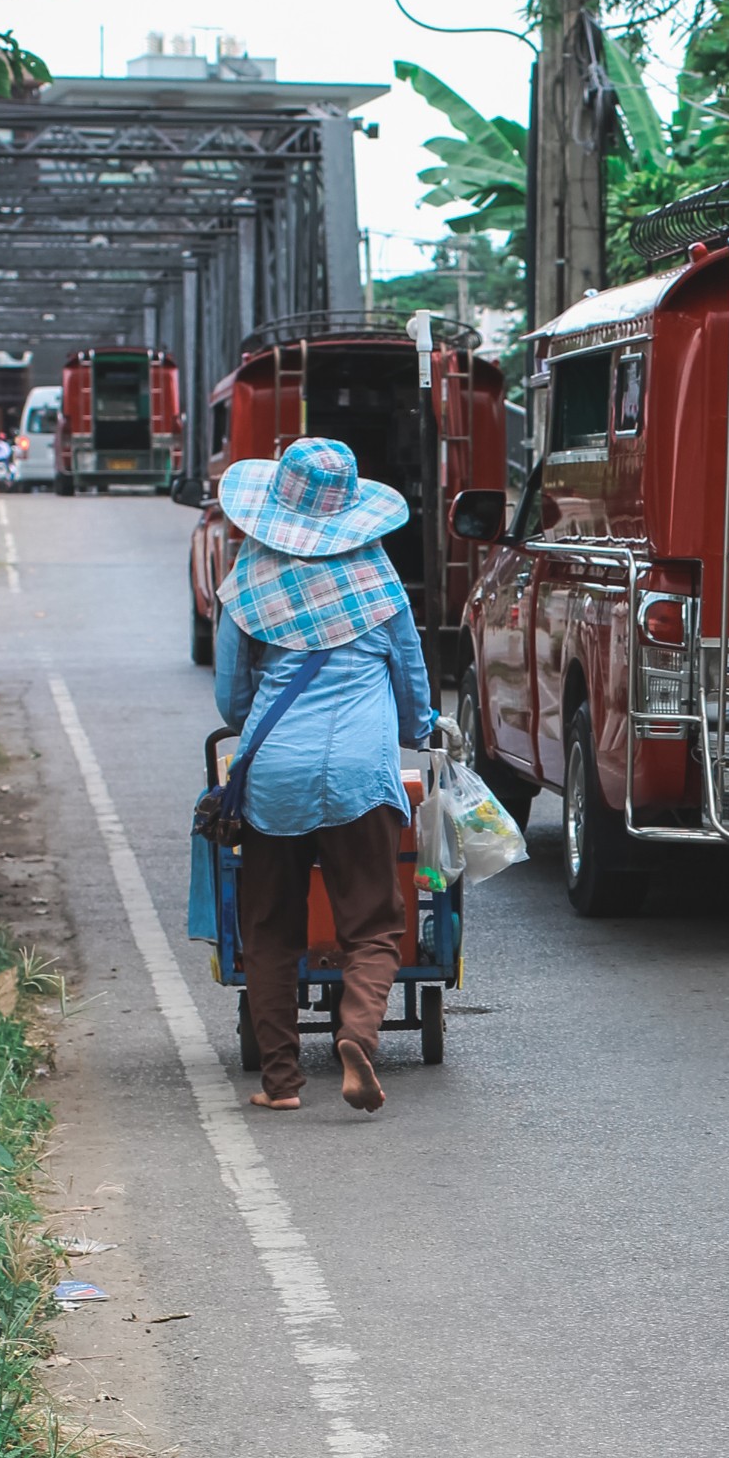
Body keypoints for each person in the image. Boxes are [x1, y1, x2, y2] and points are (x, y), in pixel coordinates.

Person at [212, 437, 434, 1114]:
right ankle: (358, 1037)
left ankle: (280, 1084)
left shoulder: (247, 581)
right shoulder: (379, 582)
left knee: (271, 928)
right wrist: (412, 732)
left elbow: (233, 698)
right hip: (363, 773)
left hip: (274, 771)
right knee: (372, 924)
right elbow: (413, 685)